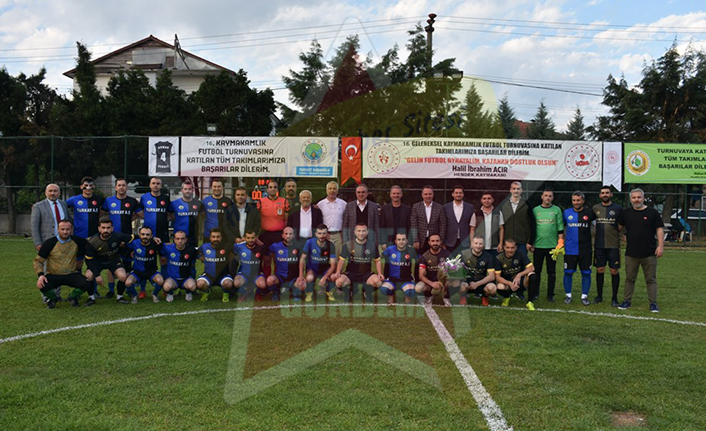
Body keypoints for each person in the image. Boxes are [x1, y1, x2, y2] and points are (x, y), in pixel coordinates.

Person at [617, 188, 664, 312]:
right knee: (630, 278)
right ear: (630, 199)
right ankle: (627, 301)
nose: (636, 200)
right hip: (631, 253)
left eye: (639, 197)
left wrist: (660, 246)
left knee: (651, 279)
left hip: (649, 252)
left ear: (643, 198)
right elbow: (618, 228)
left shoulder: (652, 212)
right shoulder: (626, 213)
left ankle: (653, 304)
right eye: (634, 197)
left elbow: (659, 229)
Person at [33, 220, 93, 308]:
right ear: (58, 229)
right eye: (62, 229)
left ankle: (72, 297)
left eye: (67, 229)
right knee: (42, 285)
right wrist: (41, 275)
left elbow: (92, 242)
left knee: (86, 283)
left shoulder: (78, 241)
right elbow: (38, 261)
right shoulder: (49, 243)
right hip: (53, 274)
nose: (65, 232)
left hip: (71, 274)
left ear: (71, 230)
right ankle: (53, 299)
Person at [102, 178, 141, 298]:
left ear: (127, 187)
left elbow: (139, 214)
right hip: (111, 237)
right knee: (111, 264)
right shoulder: (109, 201)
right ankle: (111, 290)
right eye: (119, 185)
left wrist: (129, 219)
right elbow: (102, 214)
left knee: (127, 263)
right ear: (115, 187)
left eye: (123, 185)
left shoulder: (132, 201)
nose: (121, 187)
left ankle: (128, 288)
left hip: (127, 237)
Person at [66, 176, 104, 299]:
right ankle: (79, 290)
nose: (88, 188)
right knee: (78, 264)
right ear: (81, 186)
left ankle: (93, 290)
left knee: (93, 264)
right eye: (85, 185)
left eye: (90, 185)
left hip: (94, 238)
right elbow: (61, 206)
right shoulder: (74, 199)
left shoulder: (98, 199)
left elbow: (108, 208)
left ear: (94, 187)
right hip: (79, 237)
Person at [84, 217, 132, 304]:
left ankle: (120, 297)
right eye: (103, 228)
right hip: (98, 262)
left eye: (108, 228)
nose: (105, 230)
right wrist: (97, 275)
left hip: (113, 261)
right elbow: (88, 260)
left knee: (122, 276)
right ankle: (91, 298)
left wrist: (153, 238)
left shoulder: (118, 236)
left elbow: (134, 237)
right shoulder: (92, 241)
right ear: (99, 228)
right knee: (89, 276)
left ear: (112, 228)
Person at [333, 223, 383, 302]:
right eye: (359, 231)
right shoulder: (348, 245)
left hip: (366, 273)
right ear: (355, 232)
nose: (361, 233)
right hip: (351, 273)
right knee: (339, 282)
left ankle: (367, 291)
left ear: (367, 232)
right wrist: (338, 272)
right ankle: (349, 292)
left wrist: (380, 273)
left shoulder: (372, 245)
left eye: (363, 231)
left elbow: (377, 261)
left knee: (378, 282)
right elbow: (341, 260)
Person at [561, 191, 596, 306]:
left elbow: (597, 226)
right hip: (570, 249)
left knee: (586, 273)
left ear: (583, 201)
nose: (576, 202)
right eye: (574, 200)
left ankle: (584, 296)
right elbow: (560, 228)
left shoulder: (590, 213)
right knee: (568, 272)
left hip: (585, 249)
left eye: (578, 200)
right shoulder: (566, 213)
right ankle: (568, 295)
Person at [592, 186, 623, 306]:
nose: (605, 195)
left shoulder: (618, 208)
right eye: (603, 193)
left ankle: (614, 298)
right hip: (599, 245)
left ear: (611, 194)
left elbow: (622, 225)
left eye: (607, 193)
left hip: (613, 245)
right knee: (600, 270)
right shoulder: (595, 208)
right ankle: (599, 296)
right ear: (600, 195)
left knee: (614, 271)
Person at [532, 189, 564, 302]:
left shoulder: (556, 210)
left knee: (551, 272)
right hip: (538, 246)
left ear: (553, 198)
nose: (548, 198)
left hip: (552, 247)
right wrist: (531, 243)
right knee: (537, 271)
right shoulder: (535, 210)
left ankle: (550, 294)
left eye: (550, 196)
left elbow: (560, 227)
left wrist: (560, 242)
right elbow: (532, 228)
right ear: (542, 197)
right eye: (546, 195)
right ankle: (535, 293)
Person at [494, 239, 538, 310]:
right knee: (500, 287)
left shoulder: (520, 253)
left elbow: (531, 268)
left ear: (516, 248)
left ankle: (530, 302)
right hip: (508, 283)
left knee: (532, 275)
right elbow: (497, 277)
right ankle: (506, 297)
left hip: (520, 281)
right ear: (504, 247)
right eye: (508, 247)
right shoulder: (499, 258)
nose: (510, 250)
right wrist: (510, 283)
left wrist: (519, 275)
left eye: (512, 248)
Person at [257, 180, 290, 278]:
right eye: (270, 187)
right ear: (267, 189)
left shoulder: (284, 201)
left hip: (278, 234)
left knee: (278, 259)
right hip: (265, 234)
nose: (272, 189)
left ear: (277, 189)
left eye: (275, 187)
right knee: (266, 260)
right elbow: (257, 220)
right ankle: (266, 280)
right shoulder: (261, 202)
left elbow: (286, 220)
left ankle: (277, 280)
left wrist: (285, 234)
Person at [124, 226, 165, 304]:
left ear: (151, 236)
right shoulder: (134, 243)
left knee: (160, 281)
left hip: (151, 271)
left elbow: (166, 249)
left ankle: (154, 294)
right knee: (128, 283)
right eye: (143, 234)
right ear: (139, 235)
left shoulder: (156, 243)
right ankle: (134, 295)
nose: (145, 236)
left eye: (147, 235)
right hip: (137, 271)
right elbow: (124, 244)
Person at [299, 224, 338, 302]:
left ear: (327, 234)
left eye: (324, 233)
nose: (322, 236)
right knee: (309, 278)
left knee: (333, 277)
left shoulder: (330, 245)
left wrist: (325, 277)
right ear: (316, 234)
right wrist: (301, 275)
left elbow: (333, 265)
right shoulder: (309, 242)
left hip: (324, 269)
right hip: (312, 269)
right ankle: (309, 292)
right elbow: (302, 259)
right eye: (319, 233)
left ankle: (328, 291)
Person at [456, 236, 497, 306]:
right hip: (467, 282)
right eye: (476, 243)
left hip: (481, 282)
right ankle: (463, 296)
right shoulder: (463, 253)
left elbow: (491, 276)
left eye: (480, 244)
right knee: (459, 285)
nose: (478, 246)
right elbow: (455, 269)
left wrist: (477, 284)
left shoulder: (488, 256)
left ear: (483, 245)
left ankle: (484, 296)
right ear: (472, 243)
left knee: (492, 288)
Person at [197, 228, 235, 302]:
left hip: (223, 275)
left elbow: (238, 250)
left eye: (218, 237)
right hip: (208, 275)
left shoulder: (227, 246)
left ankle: (225, 292)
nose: (216, 239)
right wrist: (202, 258)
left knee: (228, 284)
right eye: (213, 237)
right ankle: (207, 291)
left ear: (221, 238)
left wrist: (230, 258)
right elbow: (195, 252)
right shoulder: (204, 247)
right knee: (200, 284)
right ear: (210, 238)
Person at [266, 227, 303, 302]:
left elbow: (302, 261)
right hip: (280, 277)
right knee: (270, 280)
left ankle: (295, 292)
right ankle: (276, 291)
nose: (288, 236)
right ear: (282, 235)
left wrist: (301, 276)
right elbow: (266, 253)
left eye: (290, 234)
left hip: (293, 277)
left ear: (293, 235)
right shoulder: (275, 246)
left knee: (303, 285)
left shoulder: (299, 246)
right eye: (286, 234)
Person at [498, 181, 534, 259]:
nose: (516, 191)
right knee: (508, 263)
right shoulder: (503, 204)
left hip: (522, 241)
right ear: (510, 190)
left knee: (522, 262)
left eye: (518, 189)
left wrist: (530, 242)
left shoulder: (527, 204)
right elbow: (500, 225)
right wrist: (501, 242)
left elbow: (532, 224)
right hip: (507, 241)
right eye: (514, 189)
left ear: (521, 190)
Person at [31, 183, 71, 251]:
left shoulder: (63, 204)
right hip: (46, 241)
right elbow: (34, 226)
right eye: (50, 191)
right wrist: (38, 243)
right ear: (45, 193)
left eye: (55, 191)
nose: (52, 193)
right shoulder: (38, 206)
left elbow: (68, 220)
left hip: (64, 241)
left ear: (59, 193)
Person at [161, 230, 197, 303]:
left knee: (193, 287)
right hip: (173, 279)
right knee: (166, 287)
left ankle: (188, 292)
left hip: (186, 278)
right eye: (177, 239)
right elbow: (158, 245)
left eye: (182, 239)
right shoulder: (168, 248)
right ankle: (170, 293)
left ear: (186, 240)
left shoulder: (191, 250)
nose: (180, 241)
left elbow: (200, 258)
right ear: (174, 240)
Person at [415, 234, 451, 306]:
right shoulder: (424, 257)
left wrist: (443, 282)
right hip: (430, 283)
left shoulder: (447, 255)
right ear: (429, 242)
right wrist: (432, 283)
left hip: (443, 282)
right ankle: (429, 296)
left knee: (454, 282)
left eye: (437, 241)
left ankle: (446, 297)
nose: (435, 243)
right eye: (433, 241)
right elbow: (421, 276)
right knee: (418, 288)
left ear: (440, 242)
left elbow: (452, 272)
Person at [380, 232, 417, 304]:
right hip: (392, 279)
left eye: (403, 239)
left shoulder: (411, 250)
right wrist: (382, 274)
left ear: (406, 241)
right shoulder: (390, 249)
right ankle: (392, 295)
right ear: (395, 241)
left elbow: (420, 260)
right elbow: (380, 259)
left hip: (406, 279)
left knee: (410, 292)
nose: (401, 241)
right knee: (384, 289)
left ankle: (407, 296)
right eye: (399, 239)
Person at [231, 229, 268, 302]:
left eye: (252, 238)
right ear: (244, 238)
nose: (250, 240)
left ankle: (257, 293)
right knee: (236, 283)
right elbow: (229, 248)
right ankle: (244, 292)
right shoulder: (239, 246)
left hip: (257, 274)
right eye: (248, 238)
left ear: (256, 238)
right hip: (243, 273)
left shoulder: (261, 247)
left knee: (262, 284)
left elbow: (268, 256)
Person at [411, 185, 446, 255]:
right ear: (422, 195)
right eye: (426, 194)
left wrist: (440, 240)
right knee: (421, 259)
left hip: (434, 241)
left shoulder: (439, 207)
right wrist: (415, 240)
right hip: (420, 240)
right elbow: (414, 224)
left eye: (430, 194)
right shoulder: (416, 207)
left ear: (433, 195)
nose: (428, 196)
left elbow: (443, 225)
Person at [169, 181, 204, 249]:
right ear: (182, 190)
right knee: (178, 254)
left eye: (189, 189)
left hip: (193, 236)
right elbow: (169, 214)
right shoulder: (174, 203)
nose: (187, 191)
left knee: (192, 254)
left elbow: (202, 216)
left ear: (193, 190)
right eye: (185, 189)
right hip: (179, 236)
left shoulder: (199, 203)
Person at [316, 181, 347, 257]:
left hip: (338, 235)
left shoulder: (343, 204)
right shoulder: (320, 204)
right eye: (330, 188)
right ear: (326, 190)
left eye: (334, 188)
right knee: (324, 257)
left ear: (337, 190)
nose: (332, 190)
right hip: (324, 235)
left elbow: (346, 220)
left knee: (338, 257)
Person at [443, 185, 475, 254]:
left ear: (463, 194)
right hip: (450, 241)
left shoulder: (470, 207)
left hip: (465, 241)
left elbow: (472, 225)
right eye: (456, 193)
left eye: (460, 193)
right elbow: (443, 224)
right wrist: (443, 242)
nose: (458, 195)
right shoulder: (446, 207)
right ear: (452, 194)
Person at [379, 185, 412, 250]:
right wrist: (383, 242)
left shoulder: (407, 209)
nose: (396, 195)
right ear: (390, 195)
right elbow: (382, 227)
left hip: (403, 241)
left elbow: (410, 226)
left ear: (401, 194)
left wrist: (410, 242)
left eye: (398, 193)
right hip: (389, 241)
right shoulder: (384, 209)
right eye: (394, 193)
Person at [473, 192, 504, 257]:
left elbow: (501, 229)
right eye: (484, 198)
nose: (486, 200)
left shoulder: (498, 213)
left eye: (489, 198)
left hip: (494, 247)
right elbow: (472, 229)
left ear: (492, 200)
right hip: (480, 247)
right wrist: (472, 243)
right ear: (481, 200)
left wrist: (501, 243)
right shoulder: (476, 213)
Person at [140, 177, 170, 243]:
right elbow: (139, 211)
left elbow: (170, 213)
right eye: (153, 183)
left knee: (164, 248)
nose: (155, 185)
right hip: (148, 232)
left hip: (162, 231)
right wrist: (148, 217)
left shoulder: (166, 198)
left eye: (158, 183)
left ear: (161, 186)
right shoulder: (144, 197)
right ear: (150, 185)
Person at [202, 179, 233, 243]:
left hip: (224, 235)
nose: (216, 189)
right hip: (208, 235)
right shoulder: (205, 201)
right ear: (211, 187)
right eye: (215, 186)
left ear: (222, 187)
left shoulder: (228, 201)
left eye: (219, 186)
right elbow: (201, 215)